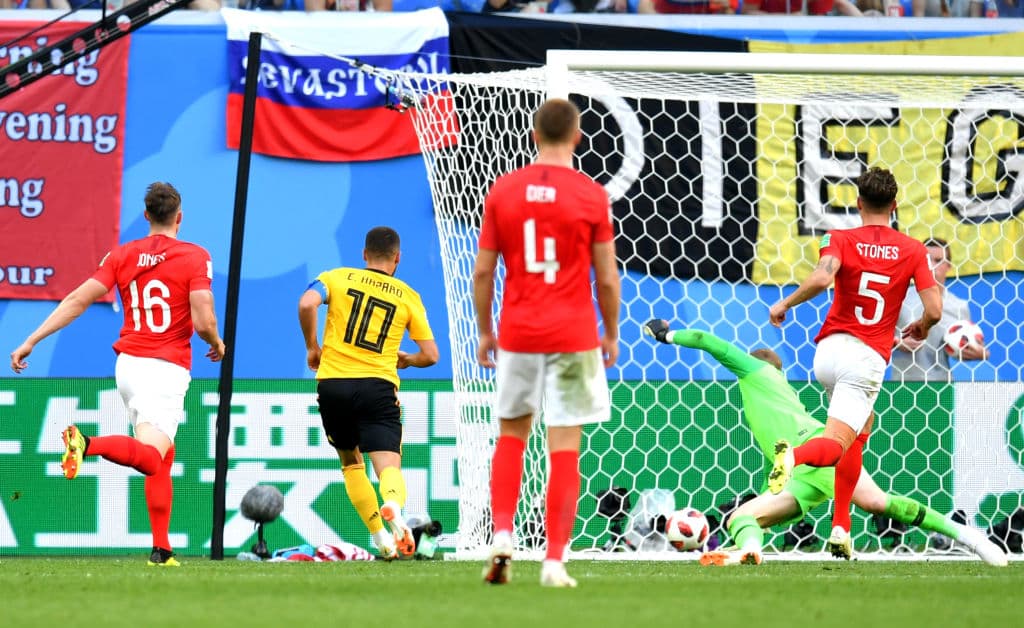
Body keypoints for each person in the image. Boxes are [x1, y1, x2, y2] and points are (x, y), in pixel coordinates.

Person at [643, 320, 1007, 567]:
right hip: (811, 466)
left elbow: (710, 342)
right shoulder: (780, 384)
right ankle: (970, 537)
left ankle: (751, 548)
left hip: (810, 451)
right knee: (877, 502)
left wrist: (665, 335)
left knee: (744, 516)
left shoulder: (755, 371)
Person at [9, 182, 225, 567]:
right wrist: (215, 339)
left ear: (146, 216)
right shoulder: (195, 256)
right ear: (180, 217)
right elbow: (203, 309)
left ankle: (162, 549)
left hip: (128, 366)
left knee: (163, 453)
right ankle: (85, 442)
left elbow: (79, 299)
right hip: (164, 368)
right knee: (150, 458)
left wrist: (32, 339)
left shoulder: (122, 255)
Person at [474, 98, 621, 588]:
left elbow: (483, 270)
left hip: (518, 329)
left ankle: (501, 532)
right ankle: (554, 561)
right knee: (565, 447)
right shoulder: (591, 195)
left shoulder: (504, 190)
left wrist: (484, 331)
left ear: (534, 134)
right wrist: (611, 331)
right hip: (575, 334)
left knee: (512, 435)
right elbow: (607, 278)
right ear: (577, 136)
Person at [767, 167, 942, 560]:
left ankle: (841, 528)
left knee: (860, 429)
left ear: (859, 204)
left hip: (828, 351)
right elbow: (934, 308)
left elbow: (821, 279)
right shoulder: (913, 249)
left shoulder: (840, 239)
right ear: (894, 206)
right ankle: (792, 455)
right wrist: (924, 327)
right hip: (865, 359)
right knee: (833, 445)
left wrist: (784, 303)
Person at [298, 226, 438, 561]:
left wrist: (313, 348)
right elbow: (431, 356)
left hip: (333, 384)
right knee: (387, 463)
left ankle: (381, 540)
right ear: (397, 258)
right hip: (377, 385)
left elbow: (306, 303)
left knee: (351, 462)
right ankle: (392, 503)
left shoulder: (336, 277)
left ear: (364, 255)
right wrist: (408, 360)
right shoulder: (407, 295)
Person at [891, 238, 990, 382]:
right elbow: (874, 336)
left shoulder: (959, 306)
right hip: (902, 385)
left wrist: (981, 353)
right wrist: (897, 343)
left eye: (937, 260)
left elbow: (958, 348)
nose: (931, 266)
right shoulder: (900, 298)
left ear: (948, 266)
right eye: (926, 260)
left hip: (943, 386)